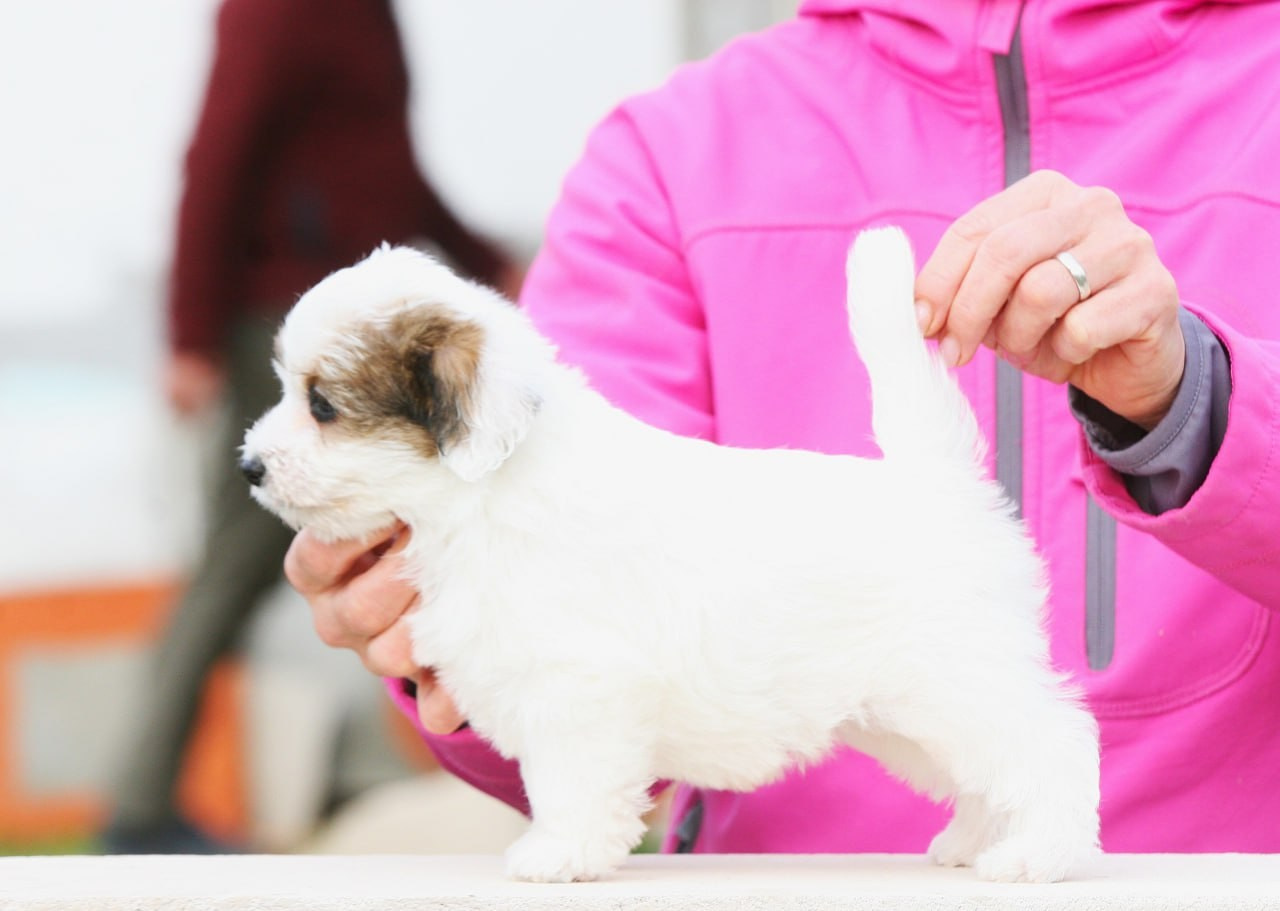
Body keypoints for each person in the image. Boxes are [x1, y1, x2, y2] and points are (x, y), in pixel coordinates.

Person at [282, 0, 1280, 856]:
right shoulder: (669, 156)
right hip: (771, 882)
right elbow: (578, 655)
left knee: (954, 678)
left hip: (1233, 878)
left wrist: (1192, 402)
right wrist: (435, 624)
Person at [103, 0, 517, 853]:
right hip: (283, 329)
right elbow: (215, 155)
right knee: (240, 560)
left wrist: (483, 261)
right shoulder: (277, 7)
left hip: (354, 331)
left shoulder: (366, 13)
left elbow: (388, 168)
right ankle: (138, 806)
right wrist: (189, 334)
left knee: (374, 544)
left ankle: (374, 763)